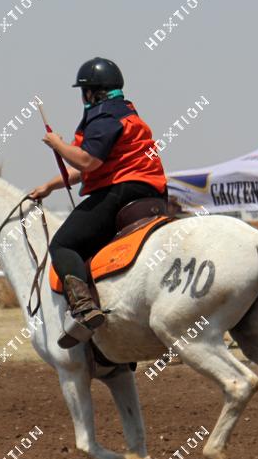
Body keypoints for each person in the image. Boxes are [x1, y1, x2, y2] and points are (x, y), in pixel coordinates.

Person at [29, 57, 167, 346]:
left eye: (83, 92)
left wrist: (57, 144)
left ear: (91, 92)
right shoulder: (128, 113)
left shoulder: (103, 117)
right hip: (152, 193)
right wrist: (49, 186)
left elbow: (87, 161)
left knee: (63, 244)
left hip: (122, 191)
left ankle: (83, 308)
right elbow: (85, 168)